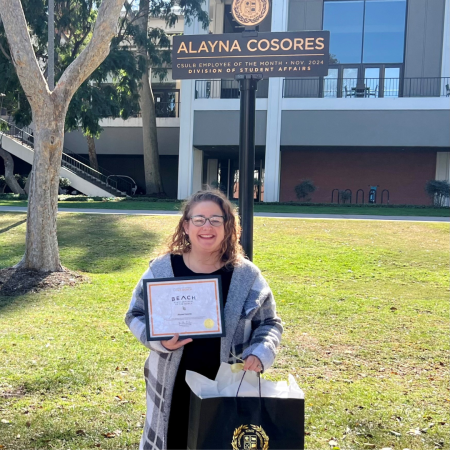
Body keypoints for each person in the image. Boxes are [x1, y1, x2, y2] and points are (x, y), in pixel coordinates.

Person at [125, 189, 283, 450]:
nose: (206, 227)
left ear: (227, 226)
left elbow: (270, 323)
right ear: (186, 225)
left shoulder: (246, 276)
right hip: (171, 383)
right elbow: (135, 314)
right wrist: (159, 341)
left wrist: (260, 352)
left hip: (228, 382)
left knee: (220, 442)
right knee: (172, 440)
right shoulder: (163, 269)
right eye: (199, 219)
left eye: (215, 220)